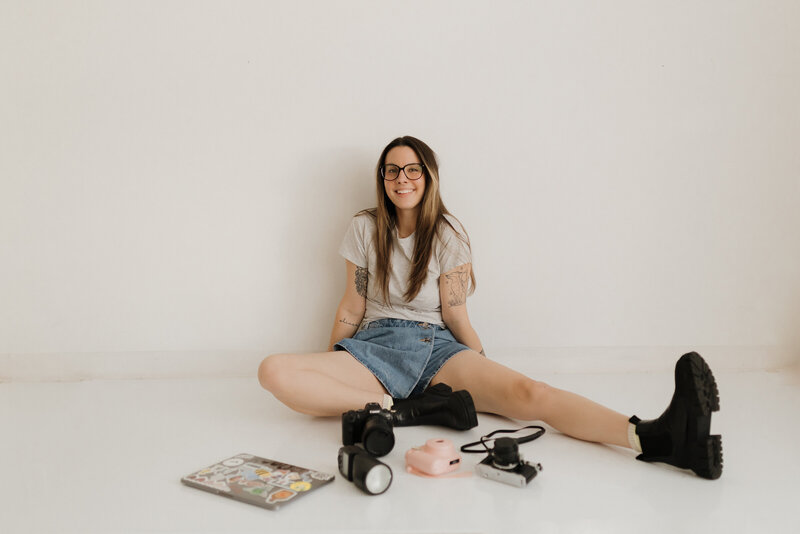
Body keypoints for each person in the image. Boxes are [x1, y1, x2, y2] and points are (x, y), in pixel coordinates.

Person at [258, 136, 723, 479]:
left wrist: (483, 368)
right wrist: (332, 361)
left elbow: (457, 316)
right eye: (393, 170)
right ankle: (394, 408)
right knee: (273, 371)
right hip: (375, 351)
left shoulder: (447, 236)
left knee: (530, 393)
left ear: (429, 176)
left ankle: (655, 437)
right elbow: (351, 304)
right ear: (382, 179)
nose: (403, 178)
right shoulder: (364, 228)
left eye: (413, 169)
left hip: (437, 350)